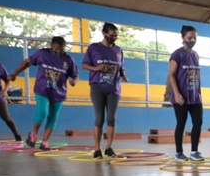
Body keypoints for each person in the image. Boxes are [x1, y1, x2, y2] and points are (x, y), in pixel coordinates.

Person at [9, 36, 79, 151]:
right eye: (56, 49)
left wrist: (74, 81)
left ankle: (45, 141)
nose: (59, 52)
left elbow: (75, 75)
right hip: (42, 89)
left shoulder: (68, 59)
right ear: (51, 46)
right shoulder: (42, 53)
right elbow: (27, 62)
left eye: (61, 50)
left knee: (53, 116)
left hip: (58, 92)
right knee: (42, 112)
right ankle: (33, 134)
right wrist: (14, 73)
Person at [83, 22, 127, 159]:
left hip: (114, 88)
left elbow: (120, 67)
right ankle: (97, 149)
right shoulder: (94, 48)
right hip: (98, 86)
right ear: (104, 33)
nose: (114, 38)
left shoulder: (118, 50)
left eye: (116, 36)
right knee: (99, 118)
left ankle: (109, 148)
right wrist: (96, 68)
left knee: (111, 119)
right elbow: (84, 64)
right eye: (111, 35)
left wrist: (124, 75)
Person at [168, 25, 204, 161]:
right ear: (183, 38)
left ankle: (194, 152)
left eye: (194, 37)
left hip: (195, 97)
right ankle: (179, 153)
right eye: (190, 37)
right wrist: (176, 94)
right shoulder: (177, 54)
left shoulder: (195, 55)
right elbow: (171, 75)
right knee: (181, 123)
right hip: (181, 97)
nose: (192, 40)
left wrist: (198, 93)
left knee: (198, 122)